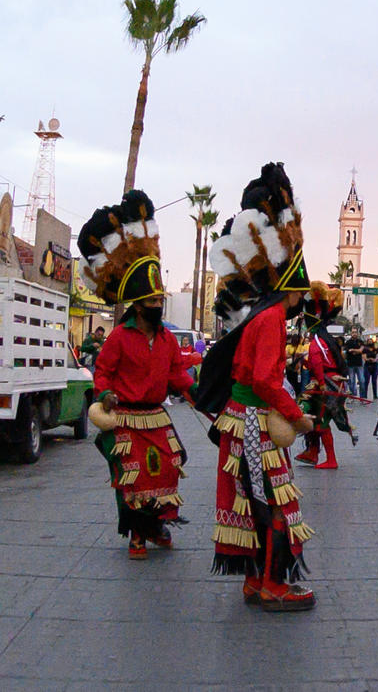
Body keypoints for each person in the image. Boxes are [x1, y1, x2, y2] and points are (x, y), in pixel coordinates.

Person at [196, 162, 319, 611]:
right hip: (254, 425)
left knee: (251, 502)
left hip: (243, 420)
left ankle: (254, 580)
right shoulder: (270, 321)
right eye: (301, 293)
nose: (303, 301)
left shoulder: (262, 317)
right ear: (294, 288)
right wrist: (296, 415)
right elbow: (267, 380)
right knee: (270, 505)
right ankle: (271, 584)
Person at [78, 190, 195, 560]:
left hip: (157, 417)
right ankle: (137, 535)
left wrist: (202, 397)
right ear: (137, 305)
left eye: (160, 301)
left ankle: (157, 524)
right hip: (127, 417)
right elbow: (103, 374)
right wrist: (105, 395)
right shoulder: (118, 337)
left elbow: (178, 377)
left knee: (169, 471)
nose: (158, 306)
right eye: (152, 302)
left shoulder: (165, 339)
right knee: (134, 476)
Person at [296, 282, 353, 470]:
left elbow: (319, 364)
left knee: (321, 423)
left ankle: (331, 459)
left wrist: (320, 383)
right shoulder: (325, 339)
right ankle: (312, 452)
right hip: (330, 384)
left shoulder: (317, 343)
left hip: (326, 386)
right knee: (314, 420)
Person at [343, 330, 365, 397]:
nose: (354, 334)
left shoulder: (360, 342)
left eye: (356, 332)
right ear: (351, 333)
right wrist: (357, 351)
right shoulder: (347, 342)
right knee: (351, 381)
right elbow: (348, 351)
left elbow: (361, 350)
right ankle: (353, 396)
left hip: (359, 364)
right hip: (350, 364)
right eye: (353, 332)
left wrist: (353, 350)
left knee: (362, 381)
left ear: (357, 333)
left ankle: (362, 397)